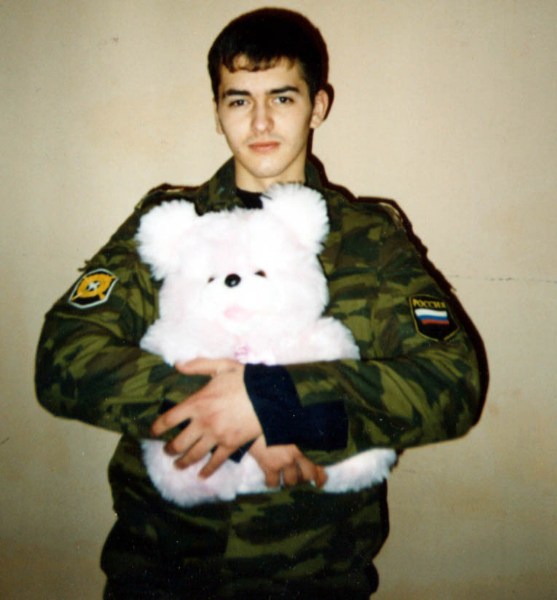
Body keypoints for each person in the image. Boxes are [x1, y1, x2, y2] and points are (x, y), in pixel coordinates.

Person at [35, 8, 483, 599]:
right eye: (239, 100)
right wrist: (223, 408)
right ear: (217, 112)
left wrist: (276, 405)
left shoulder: (370, 240)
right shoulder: (169, 223)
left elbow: (452, 382)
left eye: (283, 97)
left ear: (318, 106)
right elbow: (64, 357)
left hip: (314, 577)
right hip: (162, 570)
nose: (261, 121)